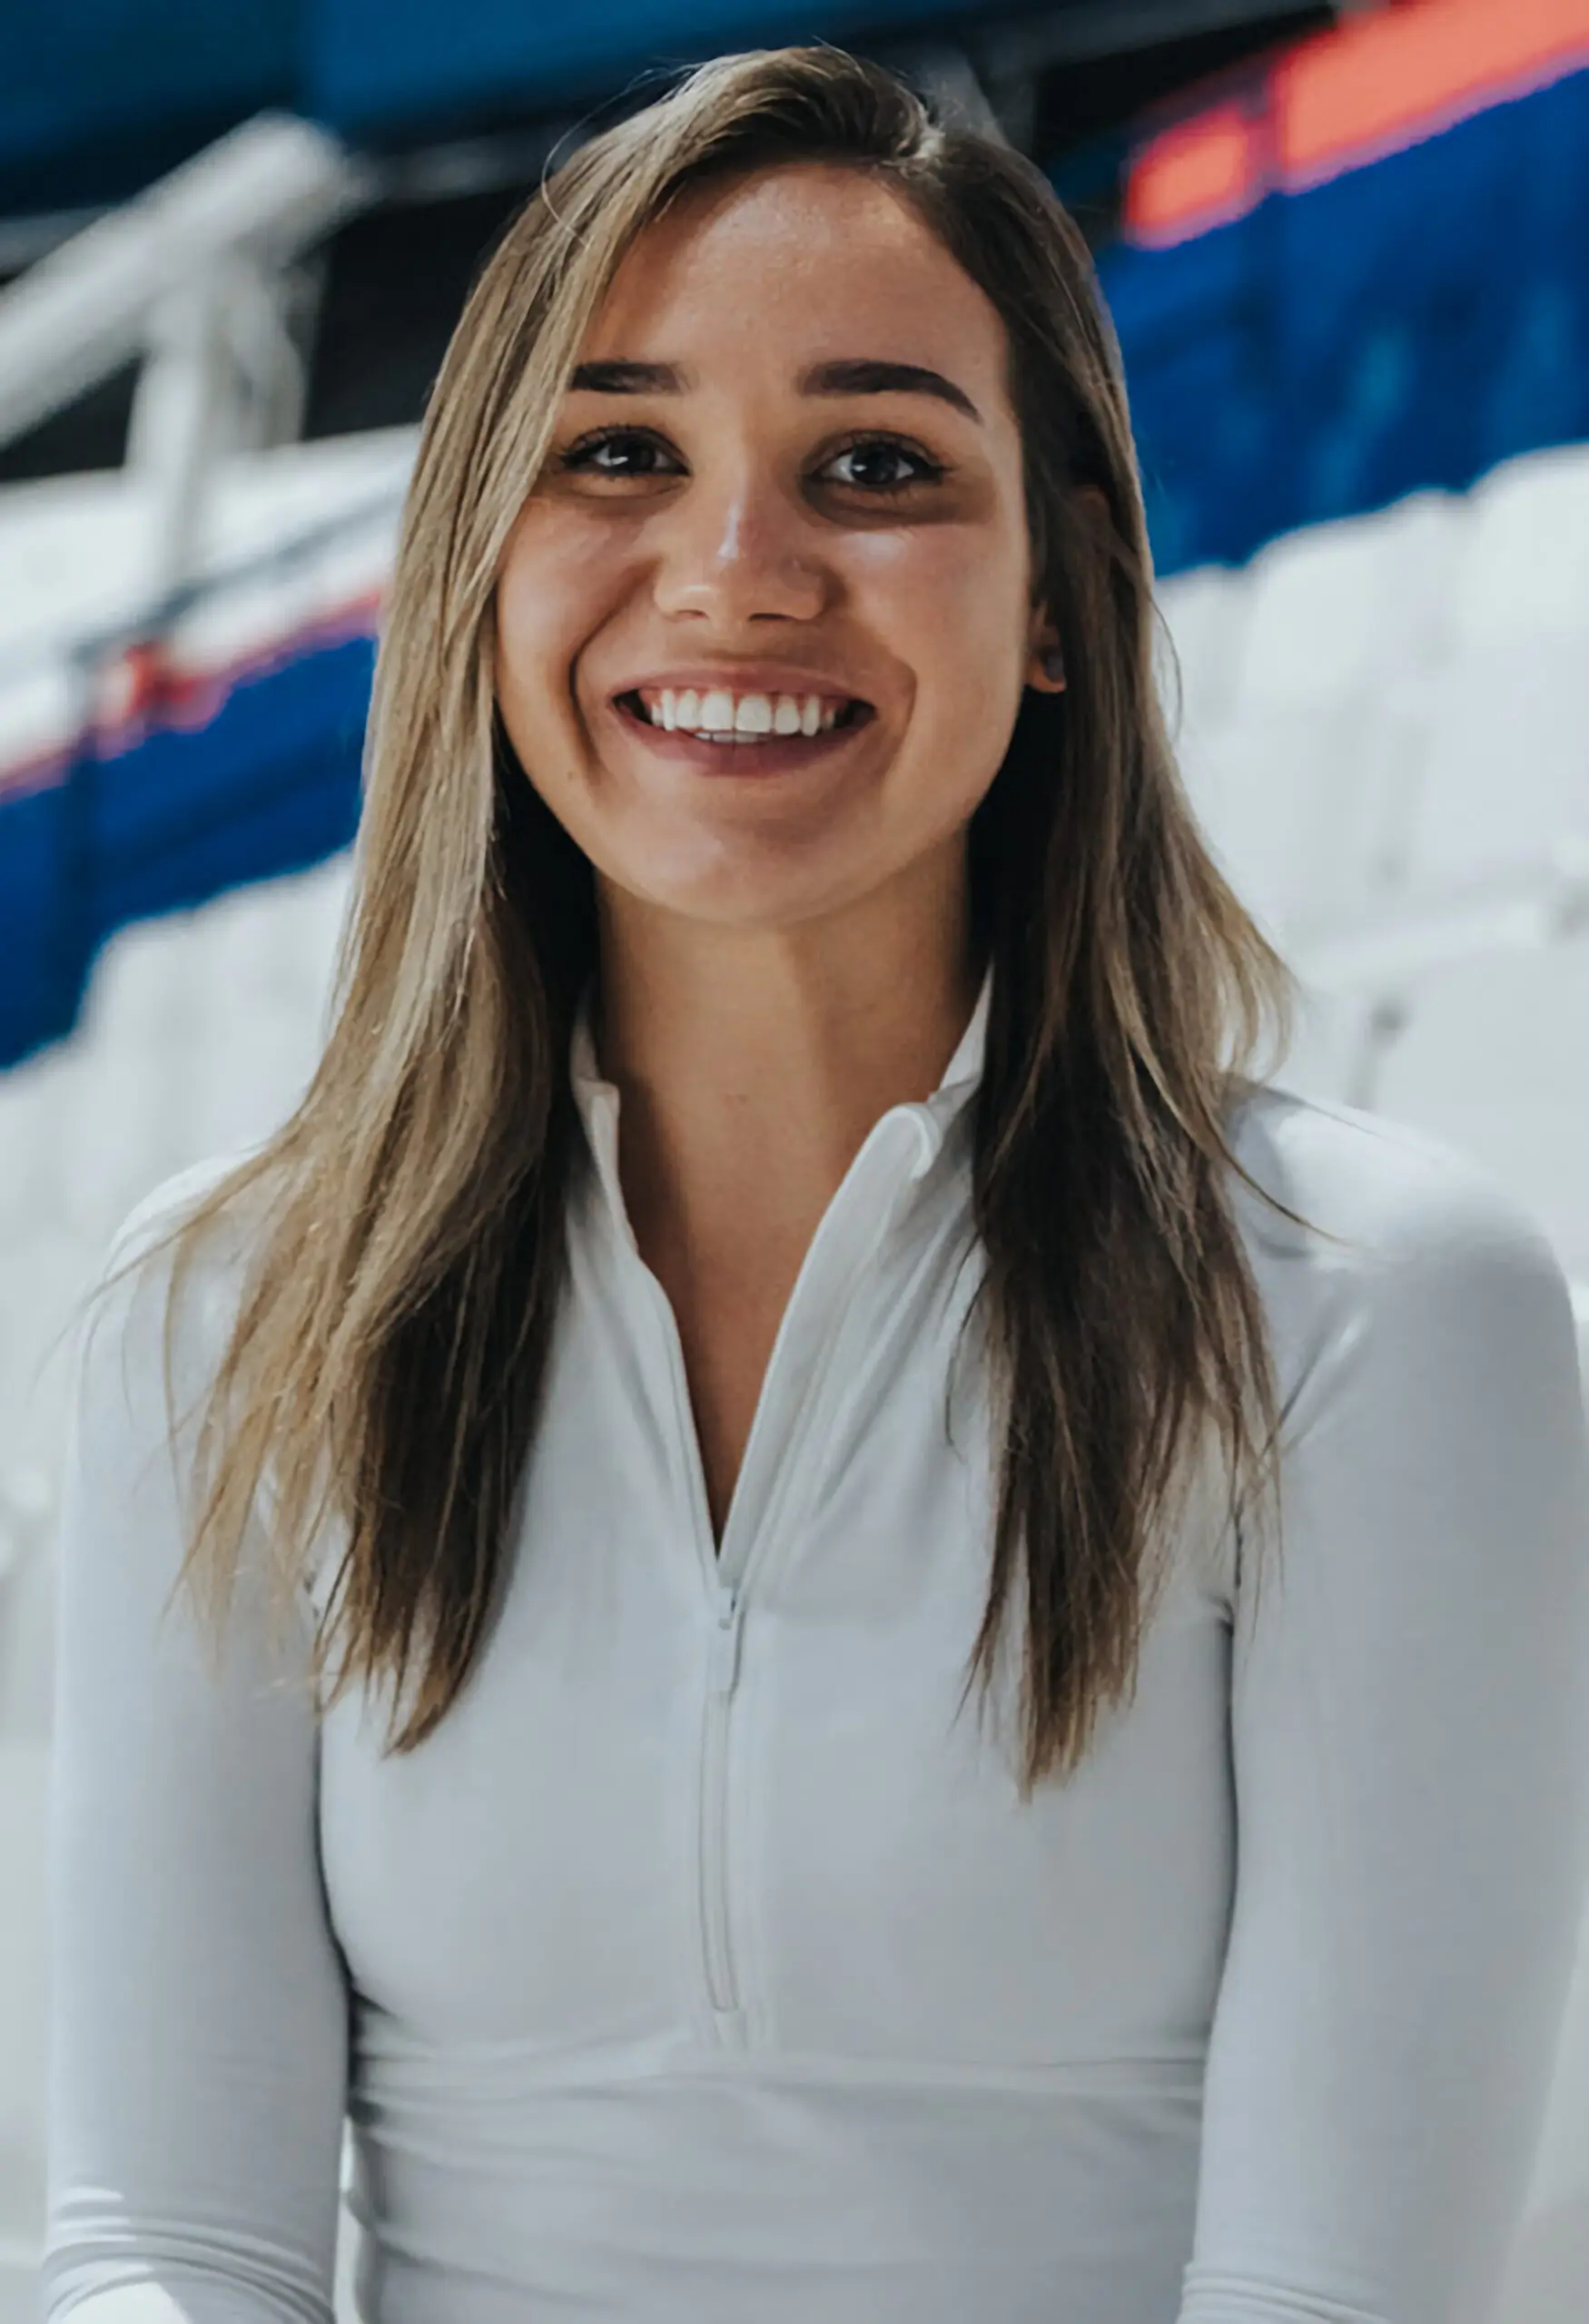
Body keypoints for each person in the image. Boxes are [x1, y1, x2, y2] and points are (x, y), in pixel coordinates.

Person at [40, 44, 1589, 2324]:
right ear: (476, 568)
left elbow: (1335, 2292)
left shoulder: (1367, 1300)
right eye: (615, 453)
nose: (734, 572)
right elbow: (168, 2246)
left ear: (1054, 598)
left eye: (874, 465)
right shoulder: (221, 1311)